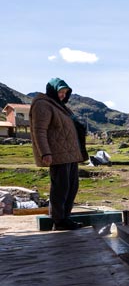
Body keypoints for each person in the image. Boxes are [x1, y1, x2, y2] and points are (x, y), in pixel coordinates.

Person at [30, 78, 88, 231]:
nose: (63, 95)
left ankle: (65, 218)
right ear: (52, 90)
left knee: (71, 188)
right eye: (60, 92)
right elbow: (39, 130)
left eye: (65, 92)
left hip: (70, 155)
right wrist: (45, 152)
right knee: (60, 188)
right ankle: (59, 220)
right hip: (57, 154)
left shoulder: (61, 107)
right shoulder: (43, 104)